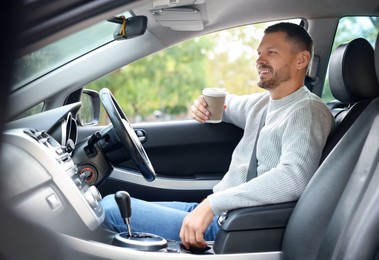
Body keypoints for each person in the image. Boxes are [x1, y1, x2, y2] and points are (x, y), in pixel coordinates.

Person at [101, 22, 334, 250]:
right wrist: (201, 104)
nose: (260, 60)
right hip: (222, 212)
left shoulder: (308, 111)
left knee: (111, 209)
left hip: (237, 225)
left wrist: (212, 204)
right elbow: (224, 103)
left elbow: (294, 177)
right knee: (112, 205)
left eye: (271, 52)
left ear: (301, 60)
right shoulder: (264, 103)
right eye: (259, 53)